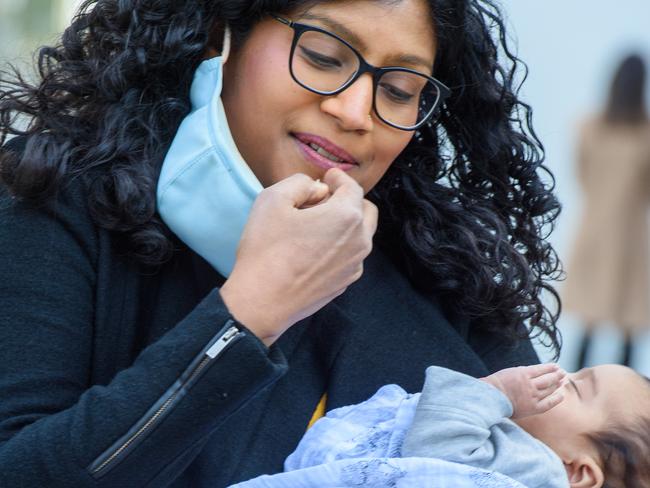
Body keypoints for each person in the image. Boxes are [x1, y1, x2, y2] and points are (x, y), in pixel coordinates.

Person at [0, 0, 561, 486]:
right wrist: (250, 313)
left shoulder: (445, 274)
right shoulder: (53, 204)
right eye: (323, 56)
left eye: (398, 90)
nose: (356, 111)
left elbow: (572, 458)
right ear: (222, 35)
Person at [272, 363, 650, 488]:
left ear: (578, 472)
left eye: (576, 387)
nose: (559, 374)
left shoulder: (538, 470)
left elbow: (437, 447)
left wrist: (495, 391)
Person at [562, 54, 650, 368]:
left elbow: (581, 174)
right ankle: (630, 404)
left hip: (594, 228)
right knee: (627, 323)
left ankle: (572, 389)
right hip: (630, 235)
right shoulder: (643, 133)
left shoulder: (589, 126)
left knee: (591, 319)